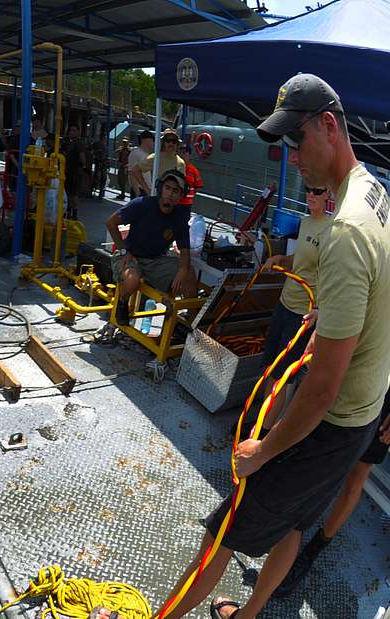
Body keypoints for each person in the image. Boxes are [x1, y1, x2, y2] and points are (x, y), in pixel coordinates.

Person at [161, 73, 390, 619]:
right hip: (363, 410)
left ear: (329, 127)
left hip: (331, 423)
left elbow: (321, 386)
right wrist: (336, 314)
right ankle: (249, 613)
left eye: (297, 141)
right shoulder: (377, 194)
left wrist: (263, 451)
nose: (293, 160)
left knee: (222, 532)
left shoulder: (347, 231)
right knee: (292, 522)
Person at [271, 390, 390, 597]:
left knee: (356, 478)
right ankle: (284, 524)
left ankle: (314, 549)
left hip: (384, 406)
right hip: (363, 380)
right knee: (321, 452)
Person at [236, 185, 332, 433]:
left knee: (280, 376)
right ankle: (259, 420)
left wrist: (321, 310)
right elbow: (300, 262)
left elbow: (335, 276)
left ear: (329, 195)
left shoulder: (332, 231)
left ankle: (261, 434)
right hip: (284, 303)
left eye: (318, 191)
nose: (311, 194)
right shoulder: (306, 222)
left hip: (303, 314)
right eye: (309, 189)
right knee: (269, 366)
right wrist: (281, 260)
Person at [105, 168, 198, 326]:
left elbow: (184, 252)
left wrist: (183, 271)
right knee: (132, 280)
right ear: (160, 188)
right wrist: (123, 250)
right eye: (167, 188)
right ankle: (122, 301)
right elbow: (111, 222)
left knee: (189, 274)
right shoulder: (141, 204)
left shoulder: (180, 217)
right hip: (130, 255)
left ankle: (191, 324)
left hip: (155, 260)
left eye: (175, 191)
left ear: (181, 196)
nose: (170, 193)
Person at [131, 128, 185, 197]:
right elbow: (135, 170)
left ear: (177, 144)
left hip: (173, 201)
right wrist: (147, 190)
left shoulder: (181, 162)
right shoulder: (155, 158)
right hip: (157, 198)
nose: (171, 143)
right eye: (168, 141)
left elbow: (182, 184)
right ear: (163, 143)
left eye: (173, 141)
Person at [63, 125, 87, 219]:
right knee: (68, 193)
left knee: (74, 194)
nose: (71, 132)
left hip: (75, 172)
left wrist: (84, 166)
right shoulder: (68, 143)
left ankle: (74, 213)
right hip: (68, 171)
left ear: (78, 132)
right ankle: (68, 211)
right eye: (70, 130)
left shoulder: (79, 143)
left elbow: (82, 156)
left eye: (74, 130)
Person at [126, 130, 154, 197]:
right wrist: (137, 193)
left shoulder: (148, 155)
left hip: (147, 190)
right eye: (152, 140)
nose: (153, 143)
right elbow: (131, 174)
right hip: (140, 190)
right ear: (146, 140)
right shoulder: (135, 153)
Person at [91, 135, 108, 199]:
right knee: (98, 177)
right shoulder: (98, 144)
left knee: (102, 178)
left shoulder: (103, 145)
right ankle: (95, 190)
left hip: (102, 164)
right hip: (99, 163)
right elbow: (92, 152)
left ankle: (99, 192)